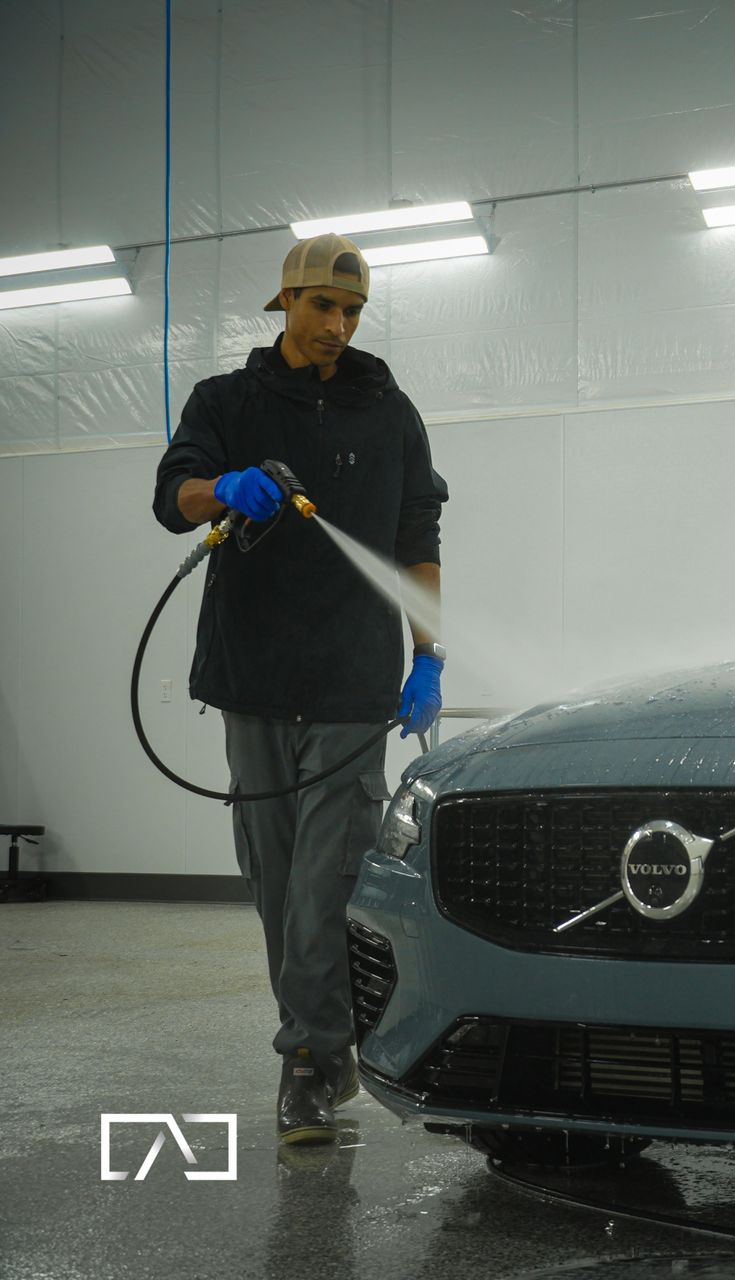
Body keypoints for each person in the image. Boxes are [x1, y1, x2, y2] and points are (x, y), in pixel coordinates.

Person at [151, 232, 450, 1144]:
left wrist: (428, 655)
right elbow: (172, 497)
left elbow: (417, 541)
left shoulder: (387, 409)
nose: (339, 325)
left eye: (353, 311)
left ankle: (309, 1063)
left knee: (326, 883)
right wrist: (222, 487)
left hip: (354, 683)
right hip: (252, 678)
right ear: (286, 302)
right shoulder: (226, 401)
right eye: (324, 307)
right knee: (276, 879)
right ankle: (327, 1048)